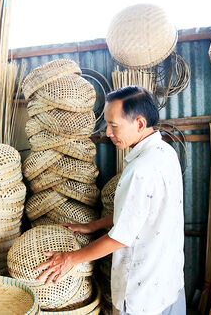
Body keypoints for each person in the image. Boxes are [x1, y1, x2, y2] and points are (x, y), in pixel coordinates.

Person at [35, 86, 185, 315]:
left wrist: (69, 259)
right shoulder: (165, 152)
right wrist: (92, 225)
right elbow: (140, 214)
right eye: (107, 125)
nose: (107, 133)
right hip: (167, 282)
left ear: (140, 124)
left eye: (114, 126)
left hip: (141, 293)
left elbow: (120, 238)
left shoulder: (140, 170)